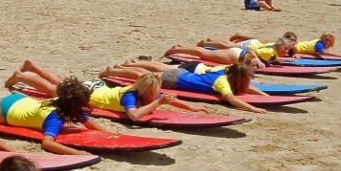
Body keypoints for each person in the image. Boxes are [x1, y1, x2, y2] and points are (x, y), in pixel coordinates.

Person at [0, 80, 112, 156]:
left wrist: (110, 136)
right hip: (7, 112)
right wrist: (78, 153)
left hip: (19, 101)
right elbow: (47, 143)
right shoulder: (55, 117)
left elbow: (90, 123)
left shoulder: (62, 102)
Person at [4, 59, 210, 121]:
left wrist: (191, 110)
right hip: (90, 93)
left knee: (61, 83)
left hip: (97, 87)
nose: (156, 95)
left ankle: (33, 67)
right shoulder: (130, 96)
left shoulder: (143, 91)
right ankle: (23, 76)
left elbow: (170, 99)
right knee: (55, 89)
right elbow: (135, 116)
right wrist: (158, 104)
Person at [99, 61, 268, 114]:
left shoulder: (228, 75)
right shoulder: (222, 82)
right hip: (177, 80)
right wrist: (253, 108)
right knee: (143, 76)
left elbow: (248, 87)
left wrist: (264, 96)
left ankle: (117, 69)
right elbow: (231, 99)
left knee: (150, 71)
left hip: (183, 75)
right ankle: (113, 71)